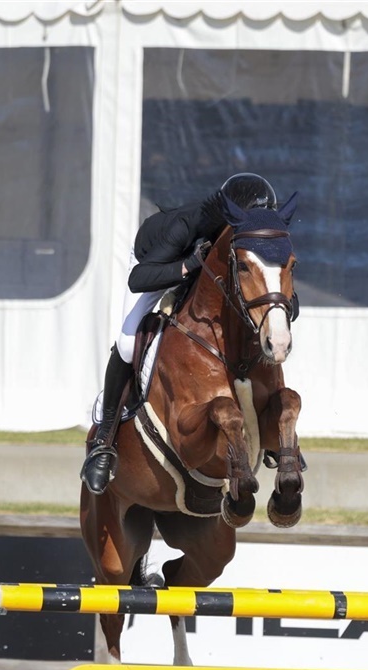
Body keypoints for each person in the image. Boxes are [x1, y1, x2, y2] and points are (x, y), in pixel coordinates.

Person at [81, 173, 279, 494]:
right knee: (128, 343)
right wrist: (189, 265)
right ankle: (104, 439)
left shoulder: (243, 237)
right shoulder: (184, 226)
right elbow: (138, 279)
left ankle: (270, 431)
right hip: (157, 265)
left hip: (199, 271)